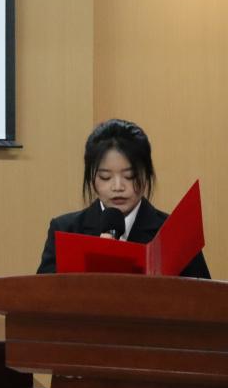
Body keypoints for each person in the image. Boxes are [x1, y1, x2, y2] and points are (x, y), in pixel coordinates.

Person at [36, 118, 210, 278]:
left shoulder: (175, 234)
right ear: (91, 178)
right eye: (105, 177)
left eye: (129, 176)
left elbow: (204, 298)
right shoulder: (66, 230)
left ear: (147, 174)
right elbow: (42, 297)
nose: (118, 187)